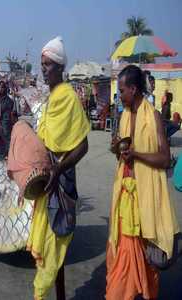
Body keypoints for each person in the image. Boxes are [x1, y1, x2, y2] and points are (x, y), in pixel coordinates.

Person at [106, 65, 180, 300]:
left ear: (134, 89)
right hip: (125, 198)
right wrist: (118, 149)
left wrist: (136, 154)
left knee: (145, 259)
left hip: (145, 199)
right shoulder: (125, 115)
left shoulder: (153, 116)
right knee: (125, 257)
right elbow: (123, 153)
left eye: (122, 91)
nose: (119, 96)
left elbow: (165, 158)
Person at [27, 36, 89, 300]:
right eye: (42, 64)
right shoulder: (52, 96)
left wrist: (58, 168)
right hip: (47, 179)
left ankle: (49, 294)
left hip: (60, 182)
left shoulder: (68, 98)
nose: (44, 69)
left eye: (49, 65)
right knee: (52, 243)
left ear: (61, 67)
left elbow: (83, 146)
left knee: (56, 241)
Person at [0, 80, 17, 160]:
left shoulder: (9, 101)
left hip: (6, 124)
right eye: (0, 87)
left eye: (3, 87)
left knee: (7, 141)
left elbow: (11, 113)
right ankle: (1, 156)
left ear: (5, 89)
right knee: (0, 141)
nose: (1, 89)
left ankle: (10, 157)